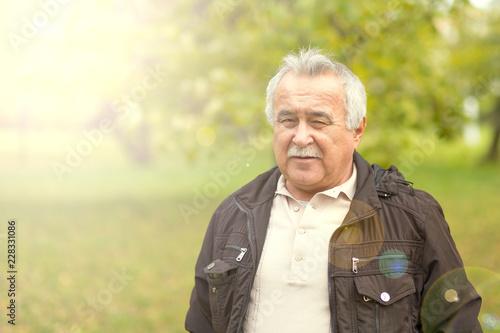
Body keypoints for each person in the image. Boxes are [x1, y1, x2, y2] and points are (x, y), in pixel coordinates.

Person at [185, 48, 482, 333]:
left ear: (357, 130)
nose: (301, 137)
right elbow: (202, 323)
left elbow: (456, 325)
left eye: (319, 121)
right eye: (287, 120)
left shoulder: (413, 218)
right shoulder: (234, 213)